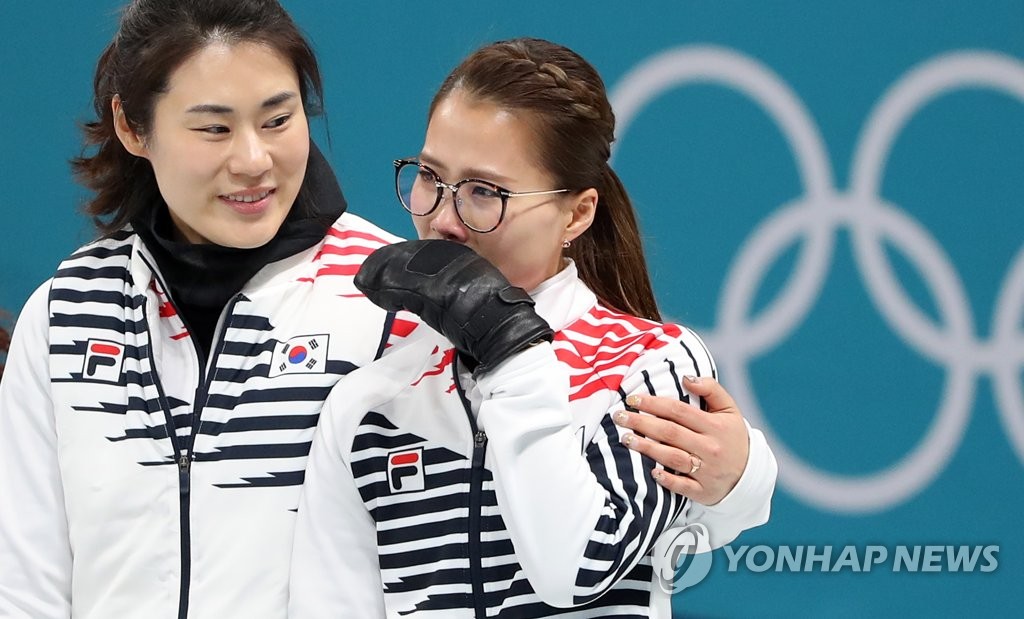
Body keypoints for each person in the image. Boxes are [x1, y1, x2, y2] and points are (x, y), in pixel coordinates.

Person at [0, 3, 768, 618]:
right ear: (134, 126)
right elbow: (24, 581)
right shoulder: (66, 312)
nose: (253, 158)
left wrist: (742, 477)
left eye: (278, 118)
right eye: (213, 127)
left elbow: (608, 526)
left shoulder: (394, 293)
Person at [289, 37, 776, 618]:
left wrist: (510, 345)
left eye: (483, 192)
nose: (443, 219)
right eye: (430, 177)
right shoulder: (368, 402)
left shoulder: (649, 367)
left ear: (577, 213)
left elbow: (578, 567)